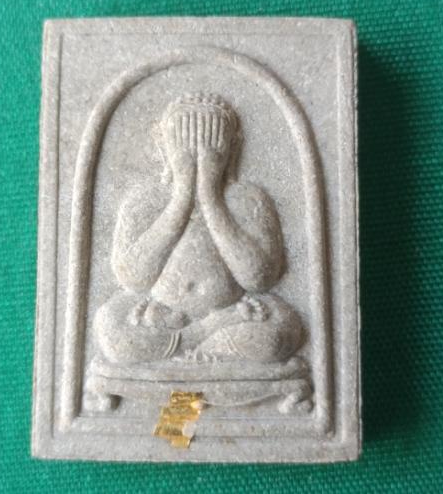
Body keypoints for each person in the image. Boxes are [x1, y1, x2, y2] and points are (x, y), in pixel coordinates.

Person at [94, 93, 303, 364]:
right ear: (162, 147)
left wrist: (210, 196)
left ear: (233, 148)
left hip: (238, 308)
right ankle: (208, 333)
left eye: (212, 146)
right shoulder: (144, 200)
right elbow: (132, 278)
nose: (197, 156)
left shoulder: (248, 198)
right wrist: (181, 197)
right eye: (183, 145)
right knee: (111, 329)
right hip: (158, 311)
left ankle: (189, 342)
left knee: (278, 333)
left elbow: (259, 279)